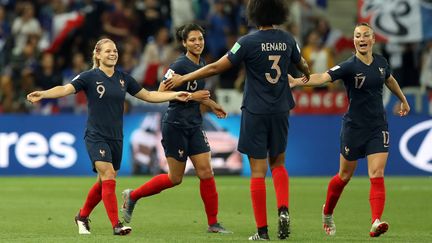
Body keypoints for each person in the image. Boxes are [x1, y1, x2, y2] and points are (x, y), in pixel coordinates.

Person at [164, 0, 311, 240]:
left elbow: (215, 68)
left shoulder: (247, 42)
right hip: (281, 109)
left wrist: (184, 78)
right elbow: (302, 64)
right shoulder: (286, 39)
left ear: (253, 14)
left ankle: (262, 231)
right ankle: (283, 209)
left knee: (257, 171)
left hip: (255, 110)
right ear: (279, 13)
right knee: (279, 164)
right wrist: (305, 74)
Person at [26, 38, 191, 236]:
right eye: (107, 51)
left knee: (103, 181)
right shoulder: (88, 77)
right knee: (109, 175)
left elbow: (148, 95)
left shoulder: (124, 78)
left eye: (114, 50)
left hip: (116, 138)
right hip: (96, 135)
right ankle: (116, 224)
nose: (113, 54)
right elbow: (65, 89)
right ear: (97, 55)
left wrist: (174, 95)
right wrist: (43, 94)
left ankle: (82, 216)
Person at [289, 23, 410, 237]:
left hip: (377, 126)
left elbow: (389, 80)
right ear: (354, 41)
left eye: (365, 35)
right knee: (344, 176)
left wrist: (403, 100)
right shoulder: (348, 66)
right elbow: (323, 77)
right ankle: (327, 212)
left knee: (377, 173)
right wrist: (297, 81)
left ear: (373, 40)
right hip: (353, 127)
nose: (361, 39)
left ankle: (375, 221)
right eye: (357, 36)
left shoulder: (382, 62)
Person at [121, 23, 232, 235]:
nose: (197, 43)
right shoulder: (179, 65)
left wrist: (211, 104)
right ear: (184, 43)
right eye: (192, 40)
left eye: (200, 39)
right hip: (175, 125)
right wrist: (192, 97)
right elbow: (161, 92)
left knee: (206, 172)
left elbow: (199, 94)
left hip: (194, 124)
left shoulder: (202, 63)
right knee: (175, 178)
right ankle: (133, 196)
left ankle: (213, 223)